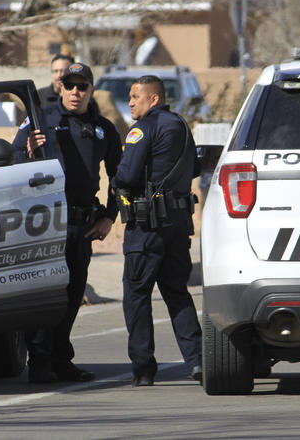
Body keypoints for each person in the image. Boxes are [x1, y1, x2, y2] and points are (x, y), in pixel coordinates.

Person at [13, 62, 122, 383]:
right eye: (70, 86)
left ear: (91, 89)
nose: (75, 92)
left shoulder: (103, 128)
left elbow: (120, 177)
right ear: (60, 87)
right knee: (46, 291)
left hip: (81, 222)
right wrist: (28, 153)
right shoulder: (40, 120)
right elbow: (13, 164)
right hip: (45, 221)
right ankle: (40, 360)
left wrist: (108, 216)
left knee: (73, 293)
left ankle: (61, 359)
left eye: (82, 86)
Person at [111, 75, 203, 387]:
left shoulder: (143, 129)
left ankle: (143, 368)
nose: (131, 102)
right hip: (177, 225)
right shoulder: (182, 126)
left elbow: (127, 174)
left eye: (135, 96)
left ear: (153, 99)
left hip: (147, 227)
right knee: (177, 293)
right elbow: (195, 169)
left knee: (136, 295)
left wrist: (115, 183)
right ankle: (198, 361)